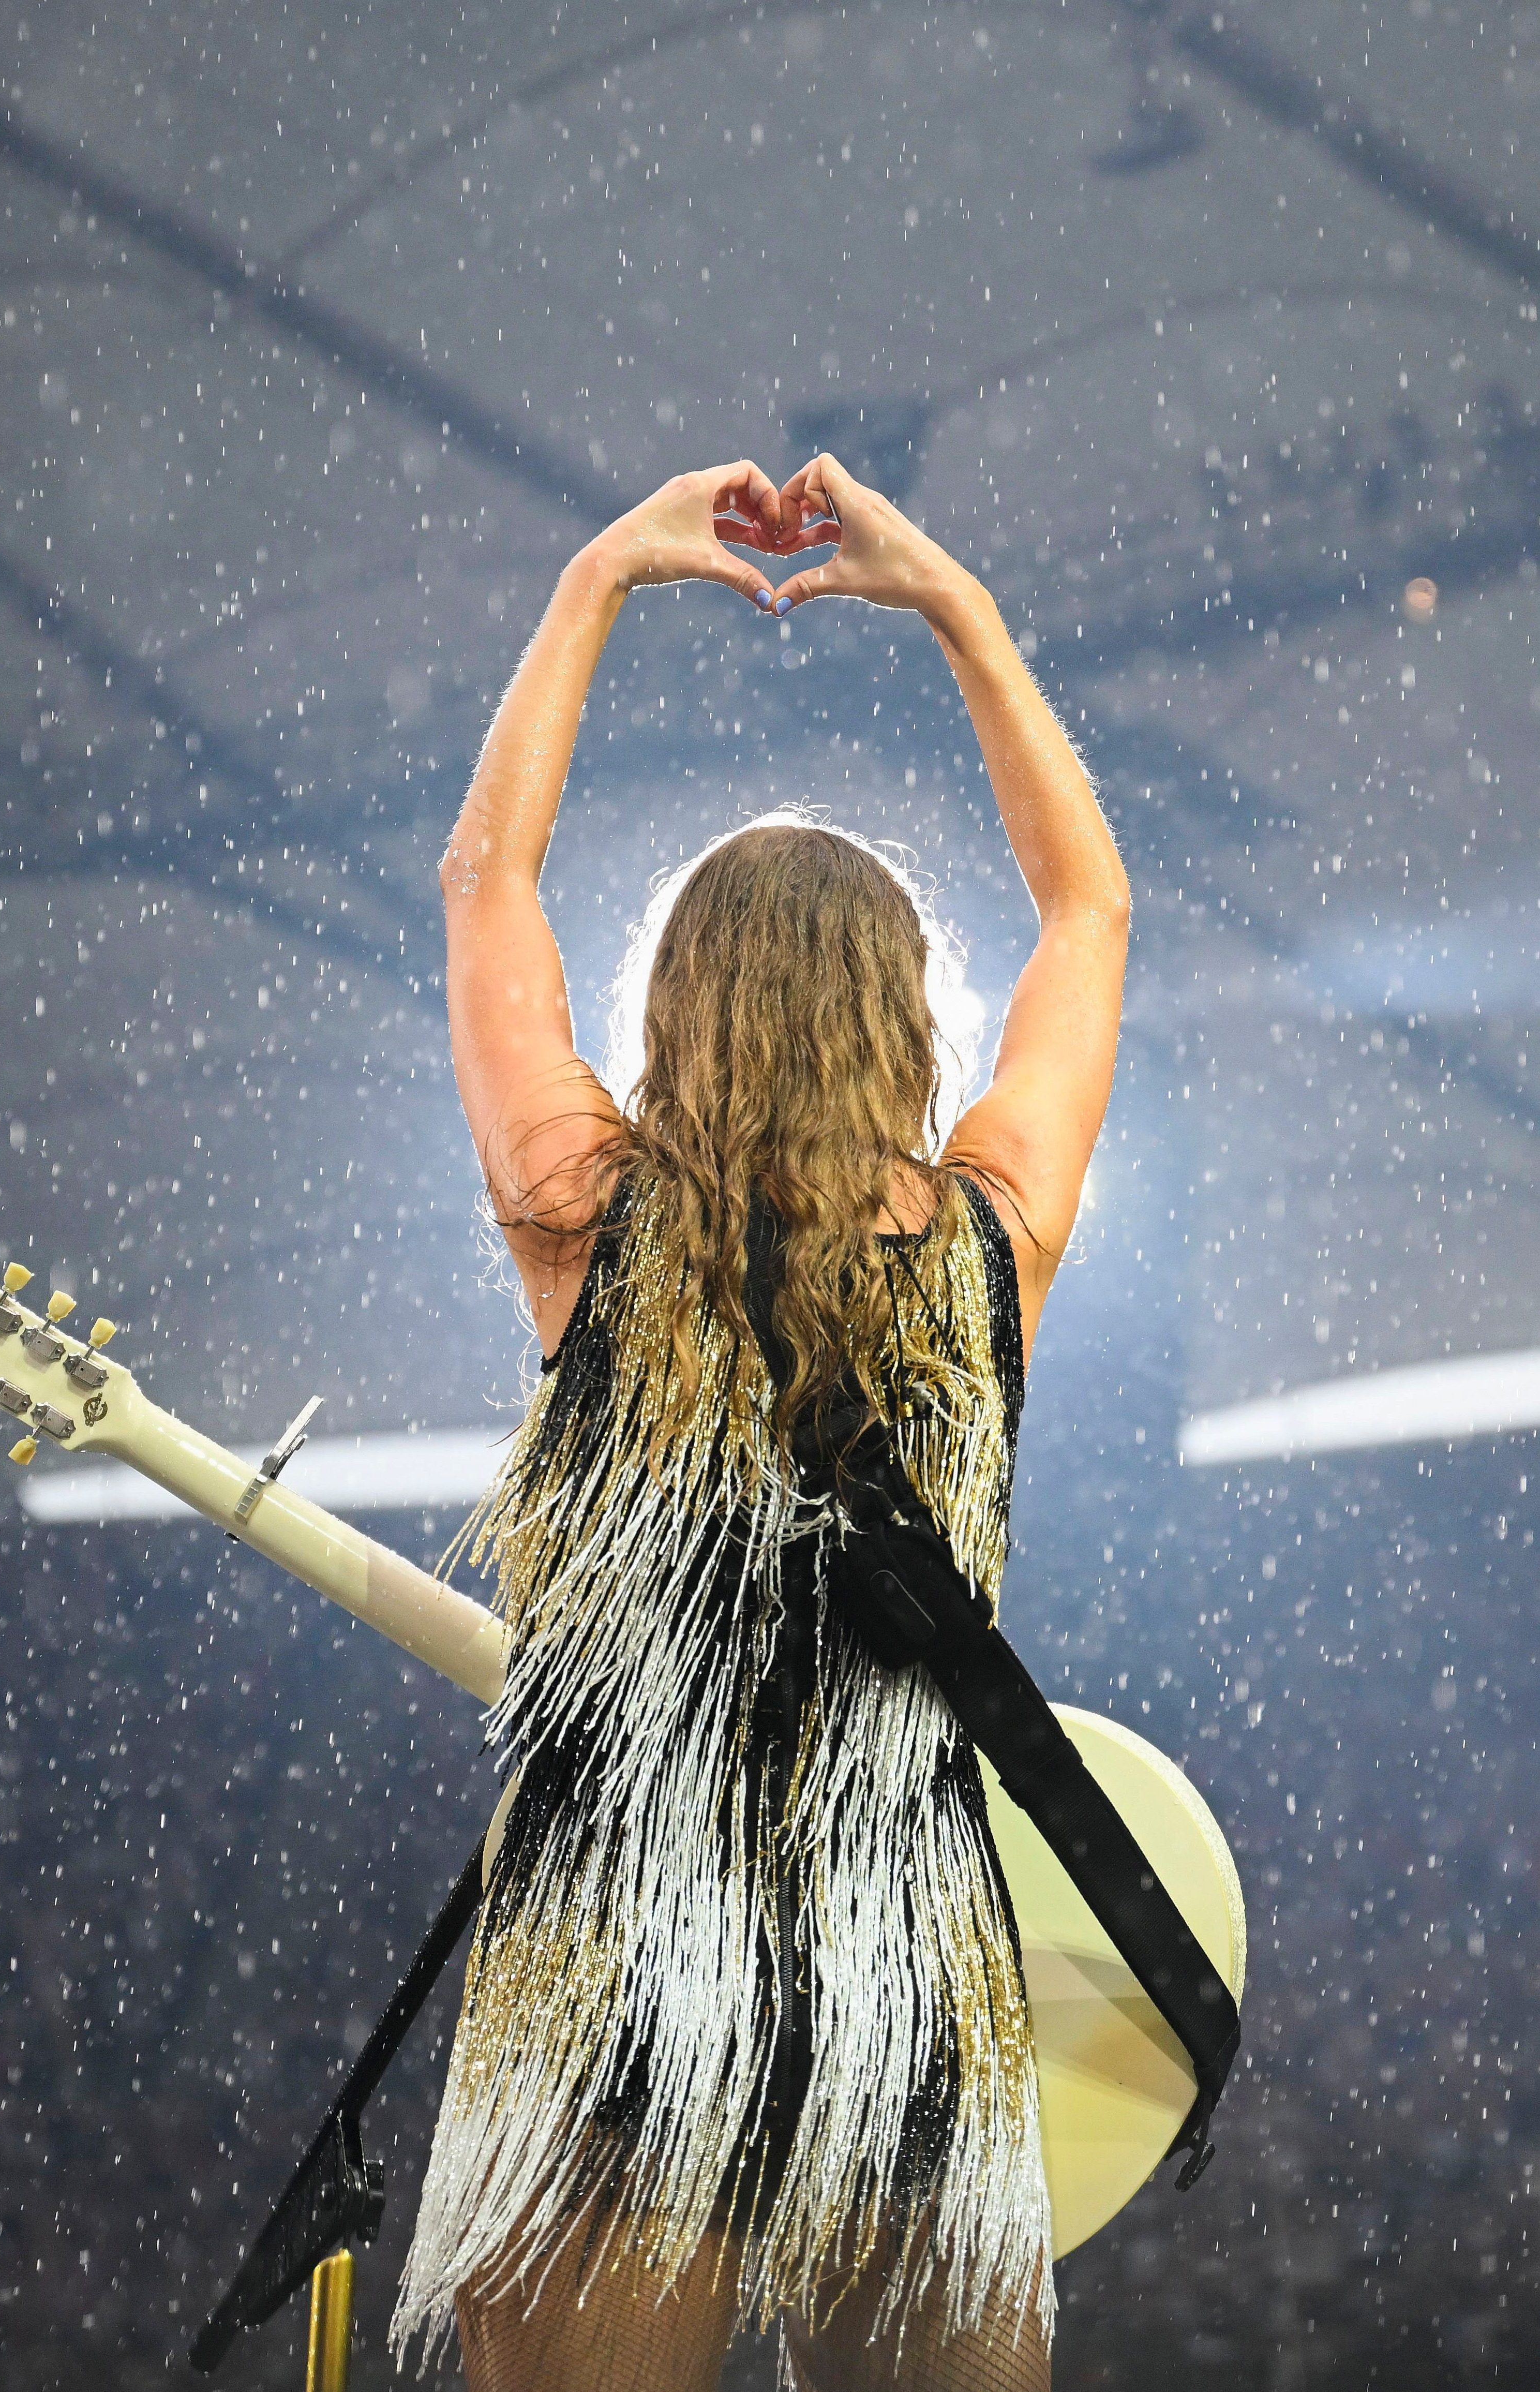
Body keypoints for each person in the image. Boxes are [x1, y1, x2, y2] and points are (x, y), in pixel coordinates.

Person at [391, 457, 1130, 2392]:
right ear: (907, 1012)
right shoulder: (991, 1242)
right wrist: (956, 604)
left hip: (622, 1955)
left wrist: (600, 575)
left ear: (675, 1004)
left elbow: (484, 888)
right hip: (908, 1966)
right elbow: (1087, 910)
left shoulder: (590, 1216)